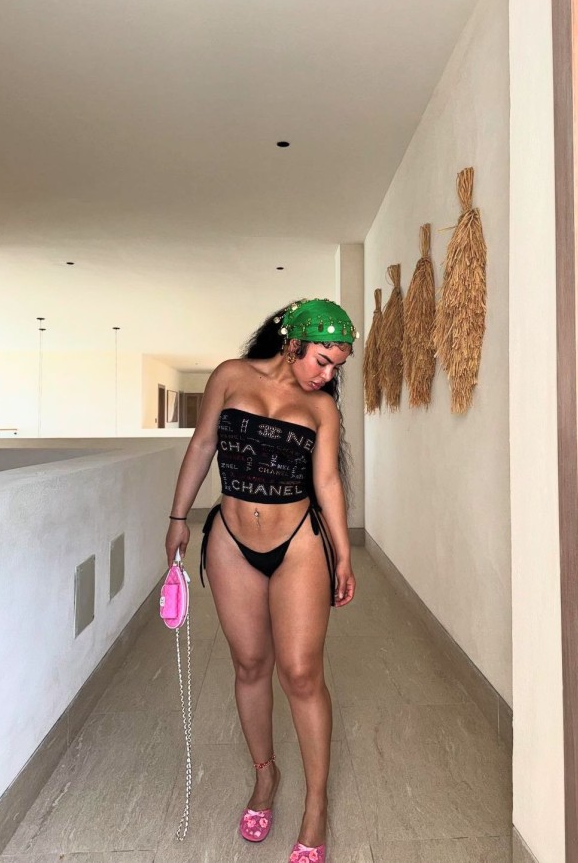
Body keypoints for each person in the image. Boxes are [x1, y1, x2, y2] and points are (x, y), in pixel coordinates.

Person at [165, 298, 359, 863]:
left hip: (297, 542)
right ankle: (265, 775)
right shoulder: (231, 376)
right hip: (230, 541)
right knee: (250, 664)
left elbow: (327, 482)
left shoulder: (321, 409)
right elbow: (202, 445)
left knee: (301, 673)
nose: (327, 375)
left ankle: (316, 804)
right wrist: (178, 518)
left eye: (336, 368)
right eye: (322, 360)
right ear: (293, 341)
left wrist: (343, 555)